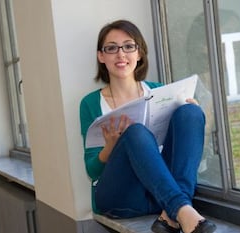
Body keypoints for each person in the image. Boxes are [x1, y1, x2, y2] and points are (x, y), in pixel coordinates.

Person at [79, 20, 216, 233]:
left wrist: (195, 117)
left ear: (139, 53)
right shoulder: (90, 103)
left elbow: (184, 147)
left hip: (159, 196)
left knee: (190, 112)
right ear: (101, 56)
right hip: (121, 198)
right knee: (136, 133)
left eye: (128, 46)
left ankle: (173, 214)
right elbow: (91, 170)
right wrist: (110, 147)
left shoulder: (159, 91)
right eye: (111, 48)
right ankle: (182, 209)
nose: (121, 54)